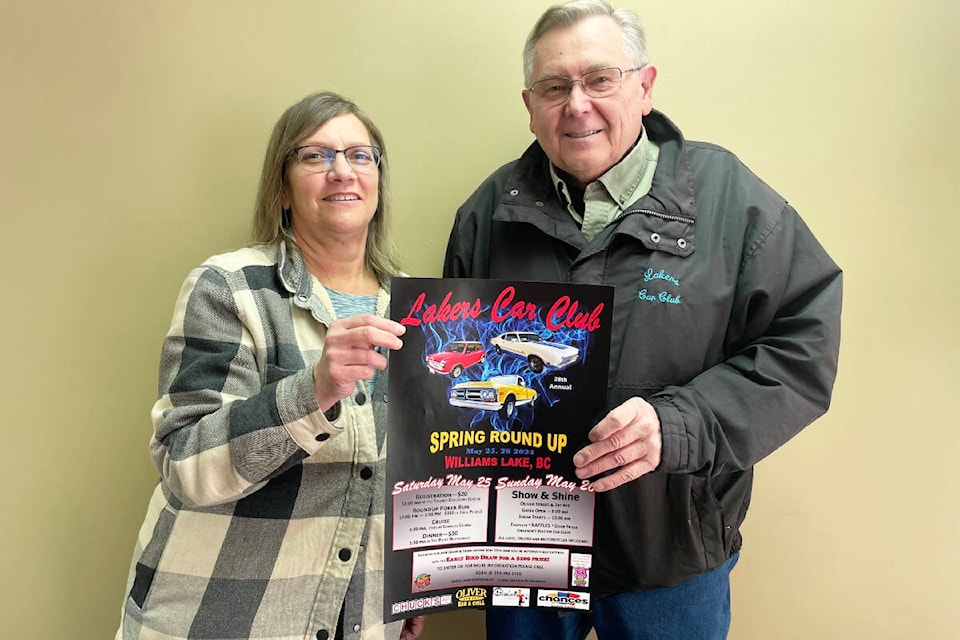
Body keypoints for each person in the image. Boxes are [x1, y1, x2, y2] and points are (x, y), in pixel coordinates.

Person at [443, 2, 842, 639]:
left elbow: (803, 349)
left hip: (671, 551)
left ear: (645, 85)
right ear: (530, 103)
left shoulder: (730, 201)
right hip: (522, 551)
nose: (577, 104)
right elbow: (454, 385)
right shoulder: (488, 211)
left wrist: (677, 423)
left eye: (600, 79)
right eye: (555, 86)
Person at [117, 91, 425, 640]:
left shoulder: (417, 311)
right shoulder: (229, 286)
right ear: (282, 190)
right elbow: (185, 464)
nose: (341, 171)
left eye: (360, 155)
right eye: (315, 156)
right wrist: (315, 389)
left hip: (355, 618)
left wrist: (409, 585)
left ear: (378, 179)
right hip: (220, 619)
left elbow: (405, 476)